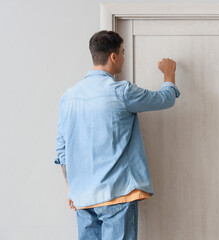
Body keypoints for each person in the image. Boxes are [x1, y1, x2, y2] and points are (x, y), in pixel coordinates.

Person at [54, 30, 180, 240]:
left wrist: (71, 188)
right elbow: (165, 99)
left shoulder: (69, 97)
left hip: (82, 197)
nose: (123, 56)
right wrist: (169, 74)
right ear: (114, 57)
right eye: (122, 52)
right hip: (117, 195)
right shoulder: (121, 91)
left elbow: (62, 148)